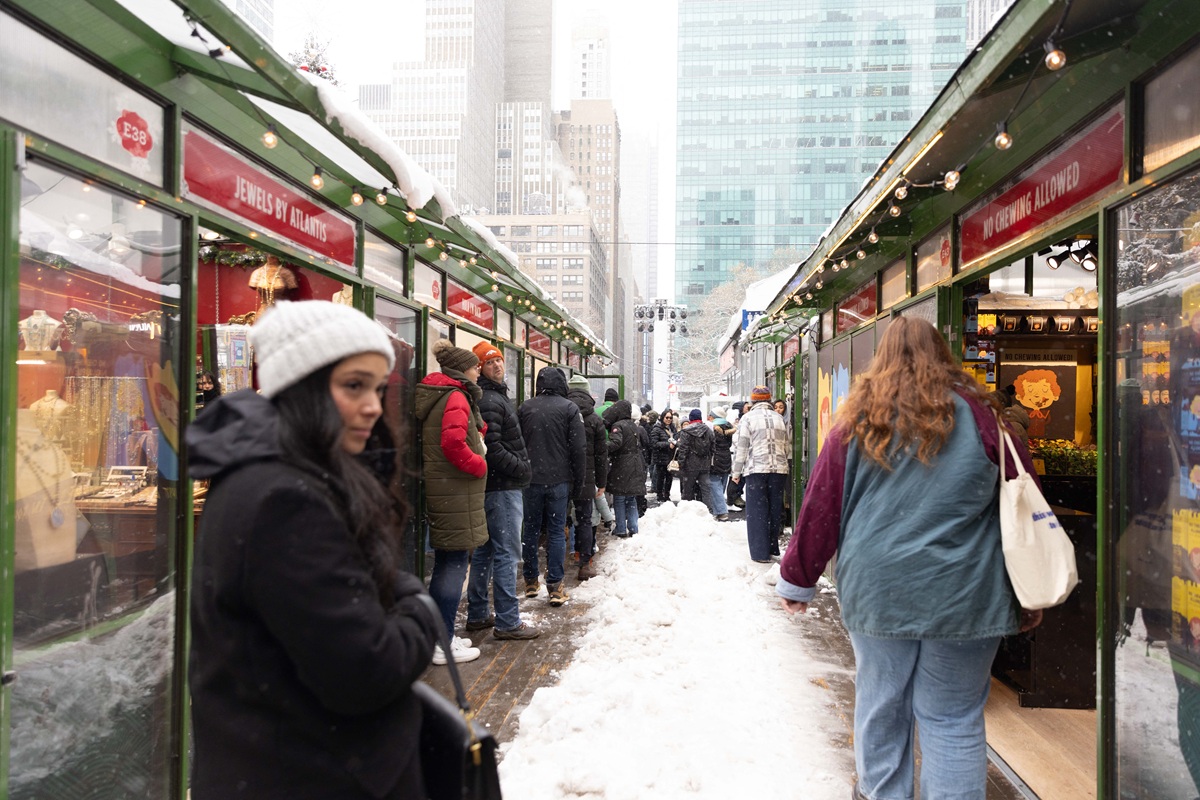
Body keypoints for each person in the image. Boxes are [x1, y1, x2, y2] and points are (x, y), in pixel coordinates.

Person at [775, 317, 1044, 800]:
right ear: (945, 357)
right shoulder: (988, 421)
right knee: (953, 717)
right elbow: (1028, 503)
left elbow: (821, 506)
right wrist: (1030, 590)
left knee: (882, 706)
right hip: (968, 593)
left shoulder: (856, 424)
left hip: (881, 591)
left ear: (881, 360)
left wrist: (799, 580)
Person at [187, 300, 441, 798]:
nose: (372, 405)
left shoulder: (271, 478)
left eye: (376, 387)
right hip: (313, 775)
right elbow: (367, 670)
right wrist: (421, 610)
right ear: (303, 387)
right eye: (353, 386)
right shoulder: (287, 500)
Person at [415, 340, 489, 665]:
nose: (479, 371)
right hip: (455, 493)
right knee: (453, 565)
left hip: (448, 492)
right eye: (475, 366)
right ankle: (442, 640)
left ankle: (439, 635)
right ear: (463, 370)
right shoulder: (456, 396)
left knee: (450, 562)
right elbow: (452, 443)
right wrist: (480, 463)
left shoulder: (448, 395)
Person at [465, 341, 539, 641]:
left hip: (492, 486)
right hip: (503, 487)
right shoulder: (492, 401)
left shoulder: (492, 397)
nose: (497, 365)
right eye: (489, 362)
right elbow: (492, 448)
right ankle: (508, 621)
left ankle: (479, 612)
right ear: (480, 368)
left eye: (498, 360)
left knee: (486, 551)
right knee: (507, 553)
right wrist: (521, 467)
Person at [518, 366, 586, 607]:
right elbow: (578, 449)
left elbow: (518, 443)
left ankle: (529, 581)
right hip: (559, 479)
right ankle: (555, 586)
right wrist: (578, 480)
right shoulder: (569, 408)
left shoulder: (526, 407)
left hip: (530, 479)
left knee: (531, 529)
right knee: (557, 531)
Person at [731, 386, 790, 562]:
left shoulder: (748, 419)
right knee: (774, 508)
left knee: (757, 510)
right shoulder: (779, 418)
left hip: (756, 469)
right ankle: (772, 547)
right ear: (769, 400)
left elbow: (742, 446)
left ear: (754, 401)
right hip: (779, 470)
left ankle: (760, 552)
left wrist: (736, 472)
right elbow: (786, 445)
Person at [566, 374, 609, 580]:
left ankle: (554, 570)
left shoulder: (562, 413)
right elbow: (602, 454)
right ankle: (585, 562)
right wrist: (601, 482)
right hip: (586, 477)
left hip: (561, 475)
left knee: (559, 520)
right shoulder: (594, 419)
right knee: (584, 520)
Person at [603, 400, 645, 537]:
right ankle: (633, 527)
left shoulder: (618, 425)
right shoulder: (633, 425)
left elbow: (616, 443)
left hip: (622, 465)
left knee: (619, 497)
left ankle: (621, 528)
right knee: (631, 498)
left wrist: (602, 447)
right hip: (635, 464)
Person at [674, 408, 715, 511]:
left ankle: (686, 512)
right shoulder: (708, 430)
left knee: (687, 490)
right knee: (706, 490)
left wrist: (681, 463)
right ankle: (708, 511)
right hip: (705, 465)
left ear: (691, 418)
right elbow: (713, 448)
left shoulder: (686, 431)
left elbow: (683, 449)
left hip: (690, 466)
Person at [708, 407, 734, 521]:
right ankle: (718, 509)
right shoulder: (729, 426)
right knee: (722, 483)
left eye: (710, 415)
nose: (708, 417)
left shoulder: (713, 428)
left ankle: (721, 511)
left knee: (714, 484)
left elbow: (710, 444)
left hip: (716, 458)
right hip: (726, 458)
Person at [650, 408, 679, 501]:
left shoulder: (673, 428)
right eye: (667, 417)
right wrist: (667, 445)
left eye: (671, 418)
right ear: (662, 417)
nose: (669, 419)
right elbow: (654, 444)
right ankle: (660, 495)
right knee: (661, 477)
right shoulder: (657, 429)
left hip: (671, 457)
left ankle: (667, 494)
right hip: (660, 458)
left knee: (669, 478)